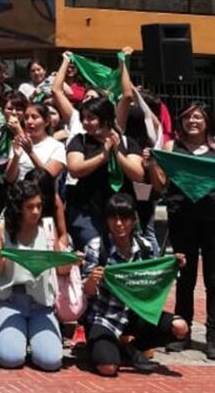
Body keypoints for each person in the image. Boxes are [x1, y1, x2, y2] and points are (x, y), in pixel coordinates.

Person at [81, 194, 189, 375]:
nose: (118, 223)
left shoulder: (145, 247)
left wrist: (174, 265)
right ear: (106, 220)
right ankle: (110, 346)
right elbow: (86, 292)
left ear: (133, 220)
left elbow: (156, 276)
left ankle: (132, 346)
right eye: (113, 218)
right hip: (105, 318)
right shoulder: (97, 246)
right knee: (108, 368)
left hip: (137, 314)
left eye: (124, 218)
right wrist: (92, 280)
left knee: (181, 328)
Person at [151, 102, 215, 358]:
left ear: (207, 121)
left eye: (198, 117)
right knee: (185, 278)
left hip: (212, 220)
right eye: (188, 117)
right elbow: (160, 185)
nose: (193, 122)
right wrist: (153, 164)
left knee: (213, 279)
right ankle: (183, 333)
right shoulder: (170, 148)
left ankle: (212, 337)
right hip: (181, 219)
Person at [0, 181, 64, 371]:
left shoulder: (48, 228)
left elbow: (60, 269)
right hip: (12, 301)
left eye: (39, 206)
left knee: (51, 361)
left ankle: (35, 341)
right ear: (18, 208)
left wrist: (70, 261)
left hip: (42, 304)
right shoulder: (1, 228)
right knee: (9, 358)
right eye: (30, 207)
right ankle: (17, 339)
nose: (36, 211)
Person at [65, 96, 144, 249]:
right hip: (88, 211)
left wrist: (116, 153)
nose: (85, 122)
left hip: (120, 211)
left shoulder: (127, 143)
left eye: (91, 118)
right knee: (93, 249)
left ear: (106, 119)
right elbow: (75, 169)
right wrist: (102, 156)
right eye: (83, 118)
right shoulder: (80, 141)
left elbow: (138, 174)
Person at [5, 103, 67, 183]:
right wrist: (16, 157)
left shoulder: (57, 147)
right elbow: (9, 178)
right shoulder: (19, 143)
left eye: (34, 117)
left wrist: (30, 153)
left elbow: (48, 177)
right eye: (26, 118)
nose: (29, 121)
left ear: (47, 122)